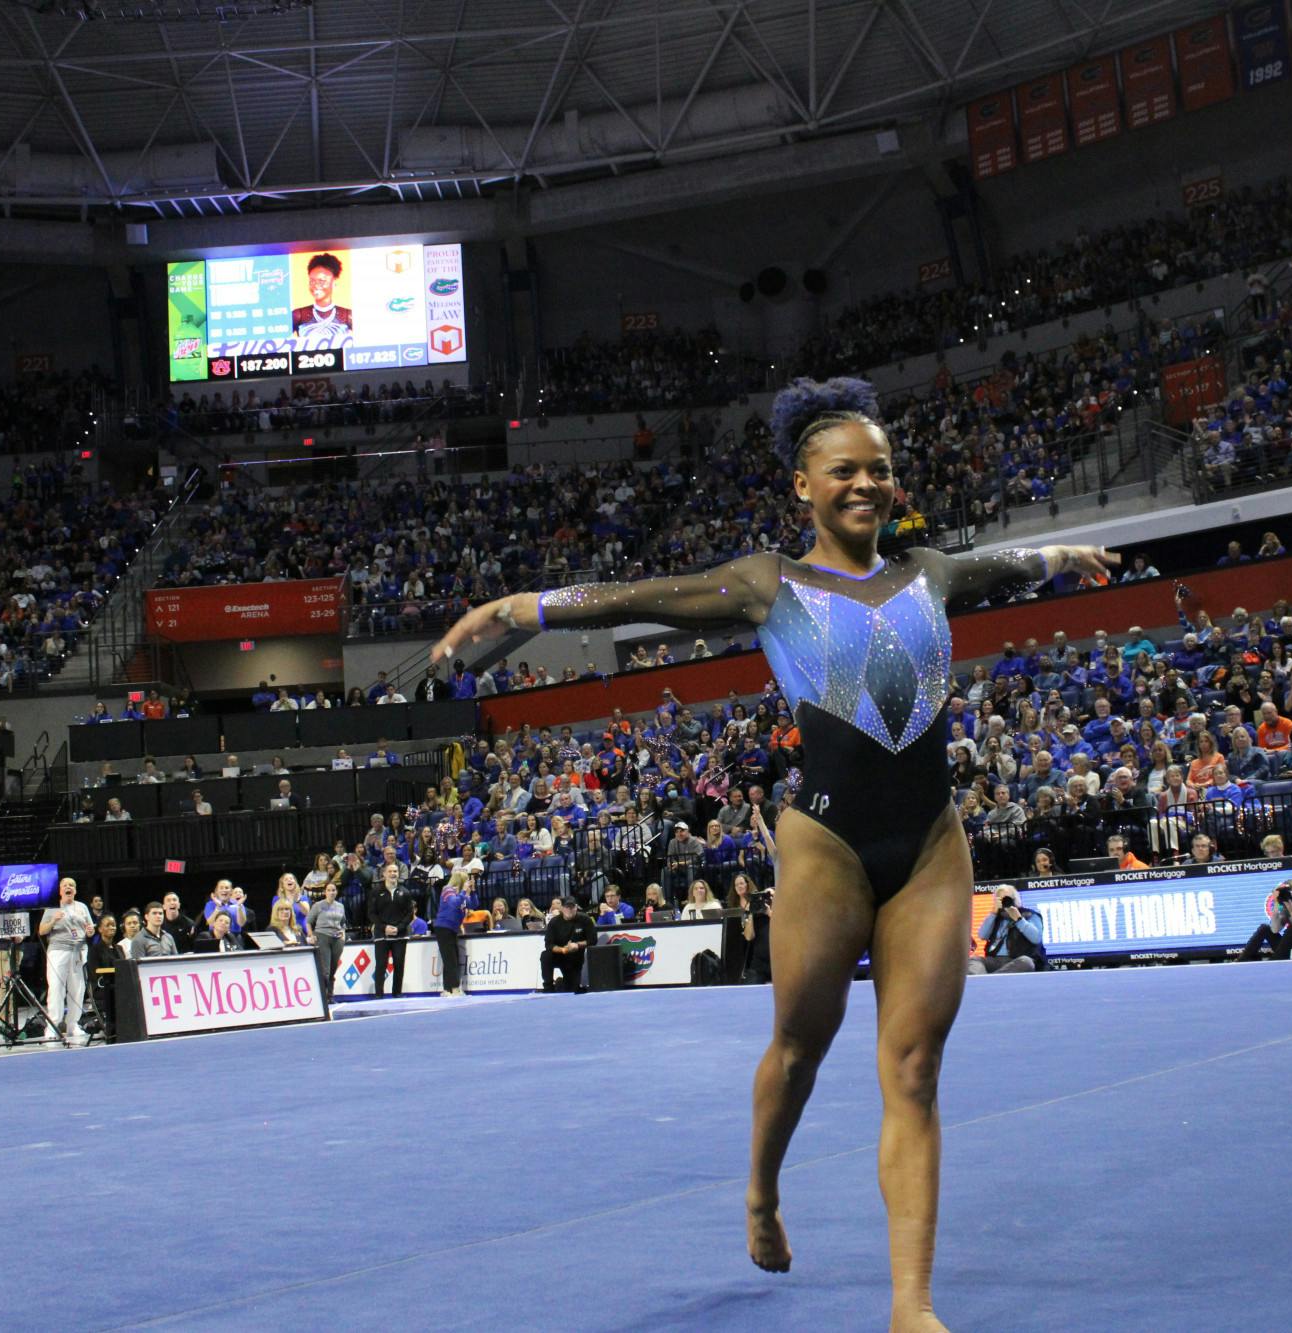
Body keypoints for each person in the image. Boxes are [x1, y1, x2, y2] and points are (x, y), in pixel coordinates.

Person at [434, 374, 1119, 1314]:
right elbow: (643, 598)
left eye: (880, 469)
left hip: (929, 844)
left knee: (914, 1069)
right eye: (845, 470)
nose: (866, 484)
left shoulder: (928, 571)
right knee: (800, 1048)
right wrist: (528, 607)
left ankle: (910, 1303)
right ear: (803, 483)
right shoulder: (771, 582)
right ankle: (761, 1189)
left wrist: (1061, 552)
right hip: (828, 847)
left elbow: (1000, 564)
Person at [38, 876, 94, 1047]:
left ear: (75, 891)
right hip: (58, 951)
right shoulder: (52, 908)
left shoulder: (82, 907)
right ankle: (53, 1025)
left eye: (71, 885)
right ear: (60, 890)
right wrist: (54, 919)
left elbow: (90, 929)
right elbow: (41, 931)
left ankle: (73, 1024)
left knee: (77, 989)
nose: (68, 887)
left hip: (78, 952)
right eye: (65, 885)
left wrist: (90, 931)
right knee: (56, 988)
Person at [1239, 879, 1292, 960]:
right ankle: (1241, 961)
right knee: (1264, 928)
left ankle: (1275, 961)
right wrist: (1276, 903)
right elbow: (1275, 930)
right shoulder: (1286, 908)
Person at [966, 889, 1044, 974]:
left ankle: (985, 982)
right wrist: (993, 913)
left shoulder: (1030, 915)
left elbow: (1036, 938)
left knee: (1027, 962)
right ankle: (990, 981)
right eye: (1000, 899)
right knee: (973, 960)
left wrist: (1019, 919)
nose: (1005, 902)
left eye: (1007, 898)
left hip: (1016, 959)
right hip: (995, 960)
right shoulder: (996, 917)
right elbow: (982, 935)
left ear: (1015, 900)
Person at [367, 863, 412, 996]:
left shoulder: (405, 892)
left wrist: (399, 928)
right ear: (384, 874)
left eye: (396, 871)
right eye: (390, 871)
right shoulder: (376, 892)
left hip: (400, 935)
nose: (393, 874)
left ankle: (397, 993)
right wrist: (384, 927)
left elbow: (409, 914)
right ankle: (379, 994)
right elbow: (371, 913)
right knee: (381, 965)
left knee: (399, 965)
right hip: (382, 934)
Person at [431, 869, 475, 998]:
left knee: (451, 958)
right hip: (443, 927)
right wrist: (463, 892)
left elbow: (473, 904)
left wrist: (473, 891)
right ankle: (455, 989)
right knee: (451, 959)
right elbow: (454, 904)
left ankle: (447, 989)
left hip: (452, 929)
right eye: (466, 880)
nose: (467, 882)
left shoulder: (462, 894)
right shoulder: (447, 890)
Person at [541, 894, 597, 992]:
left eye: (572, 907)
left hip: (575, 957)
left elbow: (593, 940)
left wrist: (578, 945)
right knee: (546, 955)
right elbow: (548, 944)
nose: (570, 910)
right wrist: (563, 949)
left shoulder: (585, 919)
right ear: (562, 908)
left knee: (572, 989)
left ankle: (560, 983)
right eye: (567, 907)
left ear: (576, 907)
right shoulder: (554, 922)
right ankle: (548, 986)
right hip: (559, 955)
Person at [306, 881, 348, 1004]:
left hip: (337, 939)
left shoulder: (340, 906)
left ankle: (330, 996)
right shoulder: (318, 905)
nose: (331, 892)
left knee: (333, 969)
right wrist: (310, 934)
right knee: (325, 970)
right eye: (329, 890)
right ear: (325, 892)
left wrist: (343, 935)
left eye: (333, 890)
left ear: (336, 892)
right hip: (322, 936)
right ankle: (322, 996)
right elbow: (308, 921)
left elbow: (343, 923)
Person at [290, 252, 353, 331]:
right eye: (312, 281)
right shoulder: (298, 315)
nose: (316, 285)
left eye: (321, 281)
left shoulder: (347, 315)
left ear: (334, 283)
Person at [86, 915, 124, 1039]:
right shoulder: (94, 950)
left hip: (119, 985)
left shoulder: (119, 948)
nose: (112, 927)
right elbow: (95, 973)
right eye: (108, 925)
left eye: (113, 925)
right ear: (100, 929)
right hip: (102, 988)